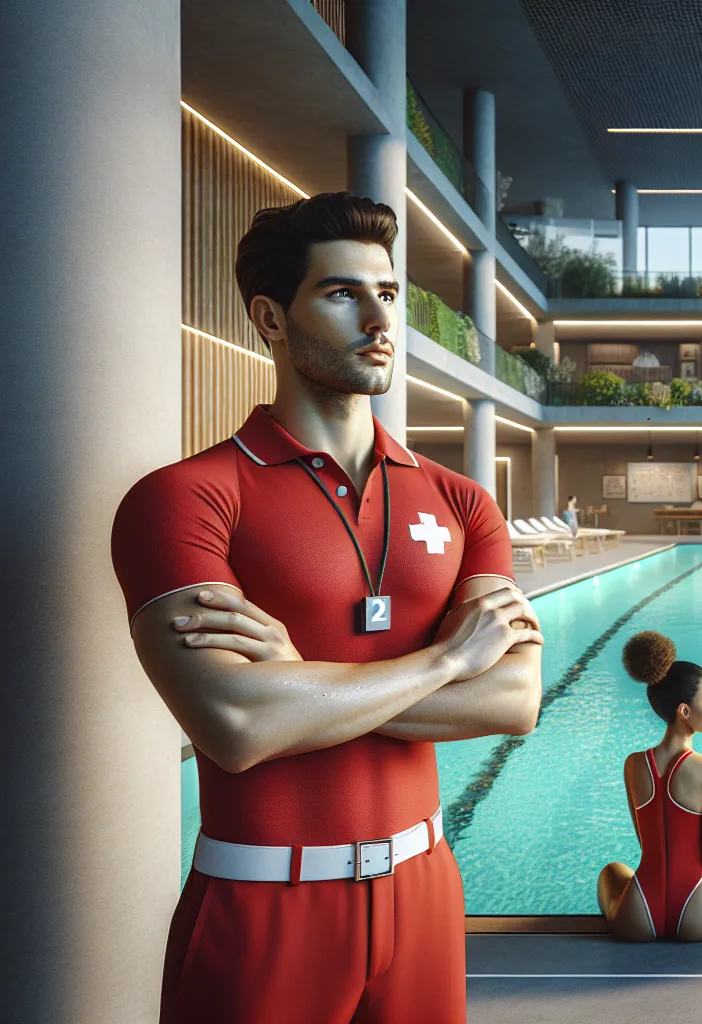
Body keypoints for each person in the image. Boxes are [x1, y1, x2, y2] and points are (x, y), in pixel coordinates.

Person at [110, 193, 544, 1023]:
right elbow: (235, 725)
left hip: (424, 894)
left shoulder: (462, 503)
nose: (378, 318)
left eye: (385, 293)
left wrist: (299, 684)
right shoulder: (186, 500)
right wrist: (450, 659)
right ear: (271, 318)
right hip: (266, 902)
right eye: (343, 294)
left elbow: (515, 701)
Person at [598, 632, 702, 941]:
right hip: (695, 912)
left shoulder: (634, 764)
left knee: (611, 872)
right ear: (684, 711)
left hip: (640, 914)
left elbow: (646, 842)